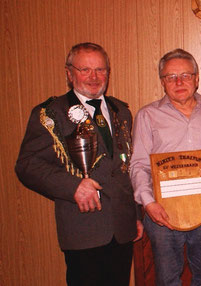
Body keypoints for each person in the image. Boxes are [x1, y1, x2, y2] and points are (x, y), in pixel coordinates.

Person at [15, 42, 141, 285]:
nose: (94, 77)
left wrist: (136, 215)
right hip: (82, 228)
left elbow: (125, 168)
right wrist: (72, 186)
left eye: (101, 70)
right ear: (69, 73)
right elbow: (27, 165)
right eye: (85, 70)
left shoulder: (121, 111)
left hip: (123, 228)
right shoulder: (51, 114)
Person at [130, 49, 201, 286]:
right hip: (162, 212)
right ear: (162, 81)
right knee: (167, 280)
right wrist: (148, 202)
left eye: (185, 75)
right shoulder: (147, 115)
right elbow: (139, 164)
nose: (179, 82)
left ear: (197, 78)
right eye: (171, 77)